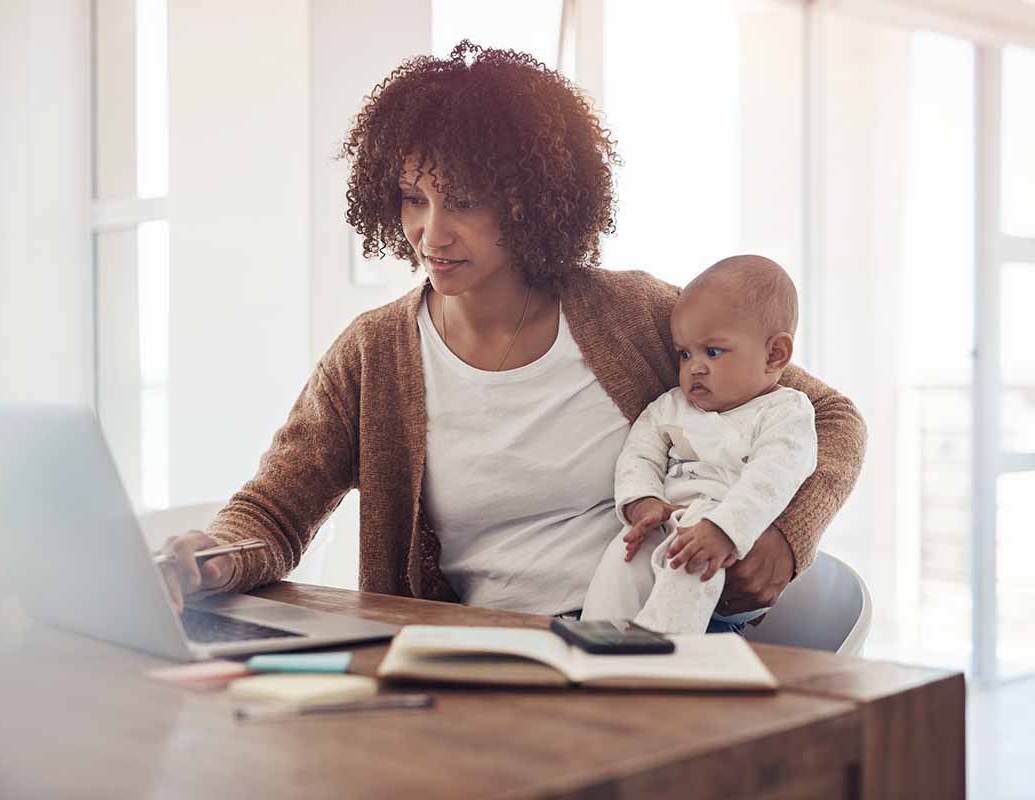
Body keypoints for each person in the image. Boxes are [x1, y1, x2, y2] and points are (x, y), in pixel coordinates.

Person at [157, 41, 866, 626]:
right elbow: (277, 509)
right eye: (413, 199)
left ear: (528, 200)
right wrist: (213, 556)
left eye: (463, 201)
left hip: (633, 647)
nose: (431, 234)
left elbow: (829, 417)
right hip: (470, 664)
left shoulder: (636, 316)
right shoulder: (374, 353)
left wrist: (785, 535)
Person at [580, 255, 817, 634]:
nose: (695, 367)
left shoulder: (787, 413)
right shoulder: (671, 407)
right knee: (623, 555)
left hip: (730, 545)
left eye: (714, 352)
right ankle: (595, 643)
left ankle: (663, 648)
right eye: (685, 354)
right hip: (668, 523)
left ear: (774, 354)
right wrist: (643, 502)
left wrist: (724, 529)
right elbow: (638, 455)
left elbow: (771, 481)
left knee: (690, 556)